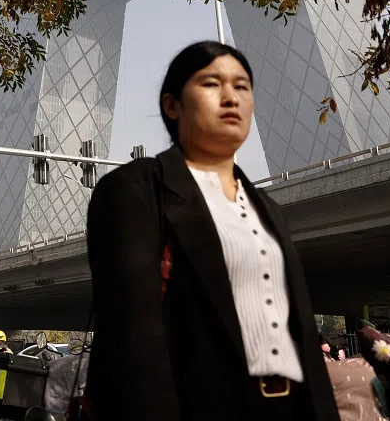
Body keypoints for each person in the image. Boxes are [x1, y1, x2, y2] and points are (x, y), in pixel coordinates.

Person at [85, 41, 340, 421]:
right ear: (172, 105)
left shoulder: (267, 209)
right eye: (210, 84)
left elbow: (300, 332)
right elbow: (134, 344)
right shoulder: (136, 190)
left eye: (242, 86)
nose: (231, 97)